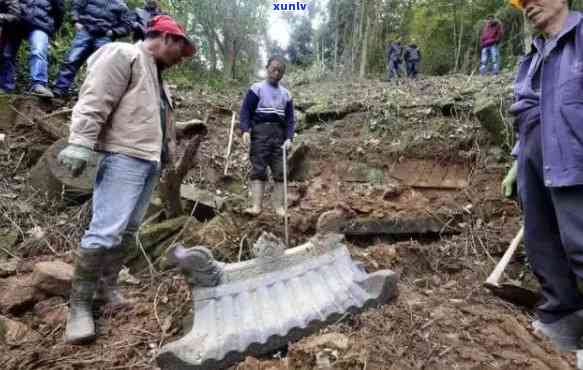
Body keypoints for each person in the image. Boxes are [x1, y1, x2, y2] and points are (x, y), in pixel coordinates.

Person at [57, 15, 195, 344]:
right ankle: (79, 308)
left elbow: (145, 118)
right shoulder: (124, 55)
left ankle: (107, 289)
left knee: (129, 230)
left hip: (147, 160)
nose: (180, 58)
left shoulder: (157, 75)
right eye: (180, 50)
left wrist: (179, 131)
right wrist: (80, 142)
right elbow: (95, 99)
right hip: (123, 157)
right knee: (105, 231)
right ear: (166, 38)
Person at [503, 0, 583, 352]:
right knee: (543, 245)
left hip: (575, 161)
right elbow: (526, 111)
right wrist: (518, 160)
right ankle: (563, 319)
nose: (527, 5)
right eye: (521, 1)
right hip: (536, 167)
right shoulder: (531, 57)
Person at [239, 55, 295, 217]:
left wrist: (289, 138)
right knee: (258, 169)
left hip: (279, 136)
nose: (276, 73)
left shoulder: (286, 94)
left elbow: (290, 119)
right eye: (273, 69)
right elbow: (245, 112)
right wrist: (245, 130)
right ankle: (257, 206)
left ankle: (279, 208)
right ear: (267, 68)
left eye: (280, 71)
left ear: (283, 73)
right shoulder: (257, 89)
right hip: (260, 134)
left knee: (280, 171)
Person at [52, 0, 132, 97]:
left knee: (100, 66)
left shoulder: (121, 6)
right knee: (72, 59)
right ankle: (60, 88)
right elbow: (76, 6)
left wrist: (112, 32)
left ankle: (90, 95)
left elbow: (127, 25)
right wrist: (76, 21)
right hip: (85, 30)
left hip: (104, 36)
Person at [0, 0, 65, 97]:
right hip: (16, 23)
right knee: (7, 54)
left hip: (40, 23)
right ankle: (5, 87)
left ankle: (38, 85)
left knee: (38, 51)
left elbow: (59, 10)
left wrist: (52, 27)